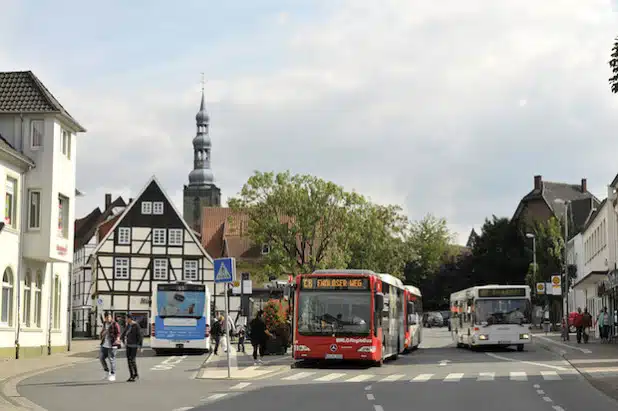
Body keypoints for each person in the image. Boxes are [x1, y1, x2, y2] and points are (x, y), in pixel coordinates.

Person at [121, 314, 143, 382]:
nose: (126, 320)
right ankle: (133, 375)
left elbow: (140, 336)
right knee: (129, 360)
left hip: (134, 345)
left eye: (126, 318)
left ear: (130, 319)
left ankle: (134, 375)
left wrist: (140, 346)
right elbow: (124, 333)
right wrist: (122, 340)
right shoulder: (128, 325)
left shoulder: (136, 325)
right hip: (128, 345)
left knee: (132, 360)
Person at [100, 312, 121, 381]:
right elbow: (102, 332)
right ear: (105, 318)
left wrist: (117, 339)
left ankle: (113, 374)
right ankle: (107, 372)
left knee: (111, 360)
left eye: (109, 317)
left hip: (112, 345)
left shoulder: (115, 324)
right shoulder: (104, 323)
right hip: (104, 345)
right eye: (107, 317)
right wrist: (103, 333)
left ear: (111, 317)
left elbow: (118, 333)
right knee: (101, 358)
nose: (108, 319)